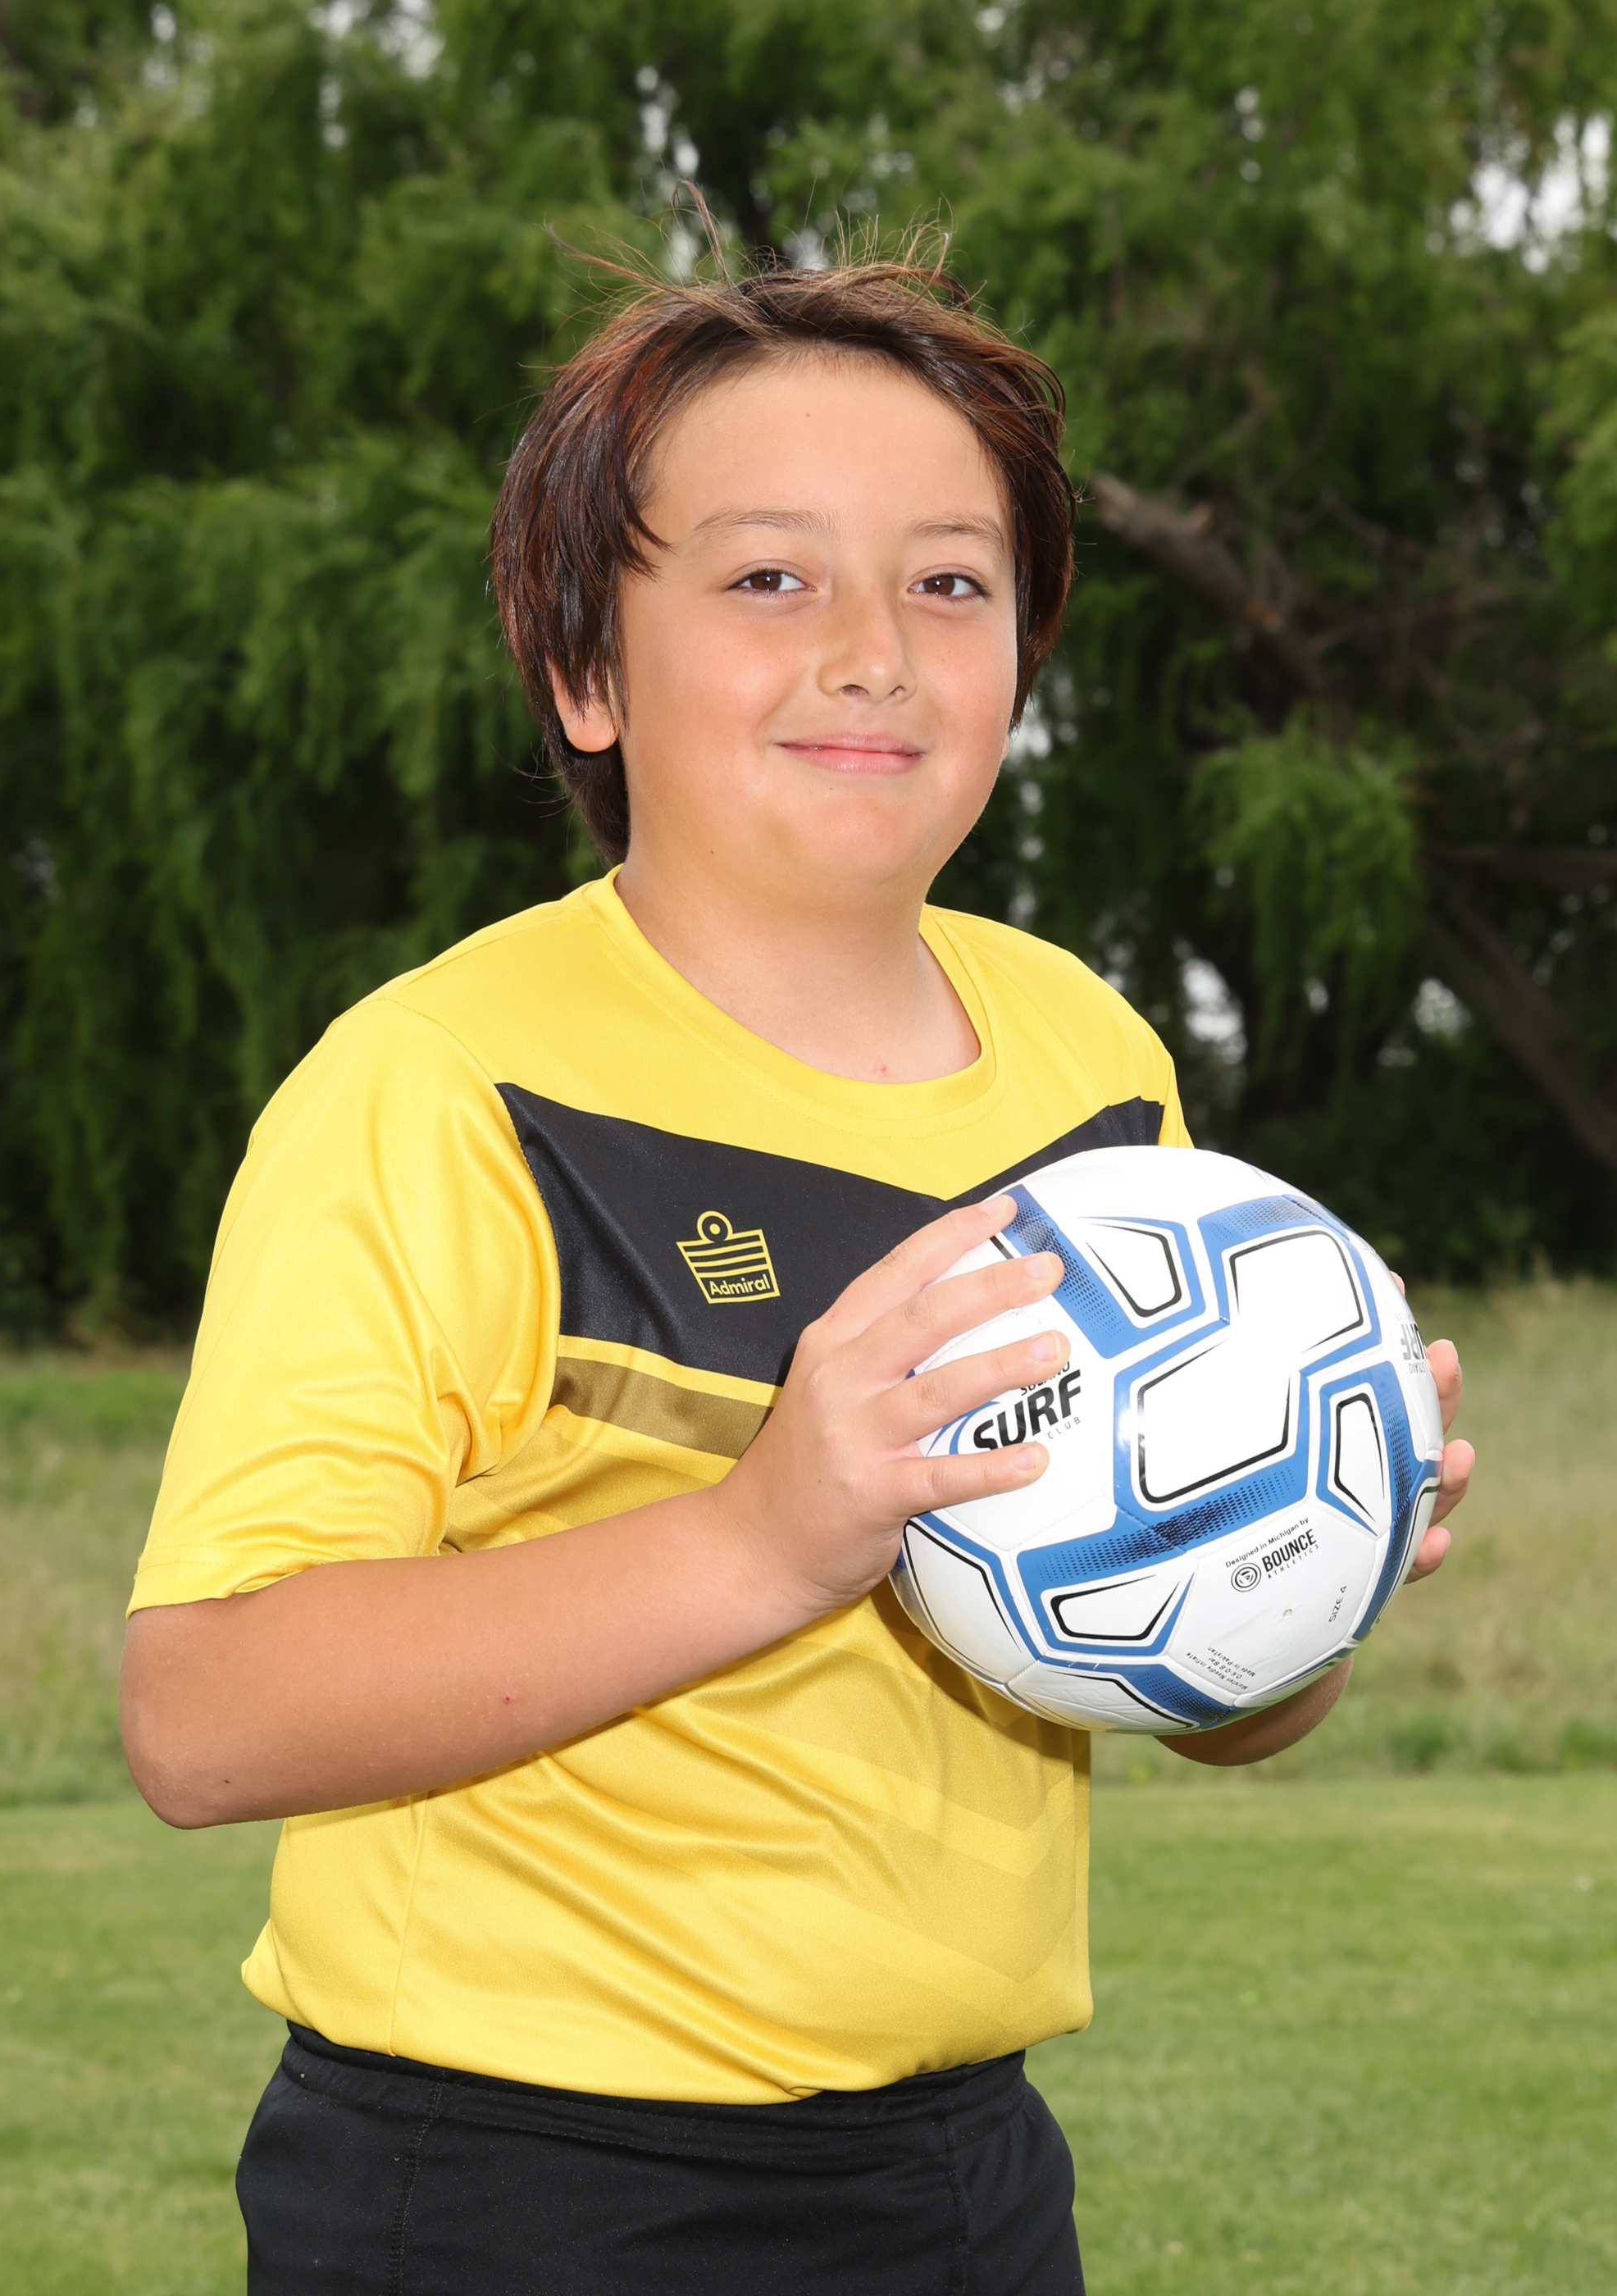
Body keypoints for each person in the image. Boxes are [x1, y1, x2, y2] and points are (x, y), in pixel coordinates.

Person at [121, 250, 1473, 2295]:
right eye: (770, 578)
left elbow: (1193, 1698)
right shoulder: (444, 1086)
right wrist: (761, 1537)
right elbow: (206, 1714)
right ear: (584, 668)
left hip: (962, 2167)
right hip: (517, 2180)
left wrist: (1306, 1555)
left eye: (950, 582)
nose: (873, 652)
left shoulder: (1093, 1064)